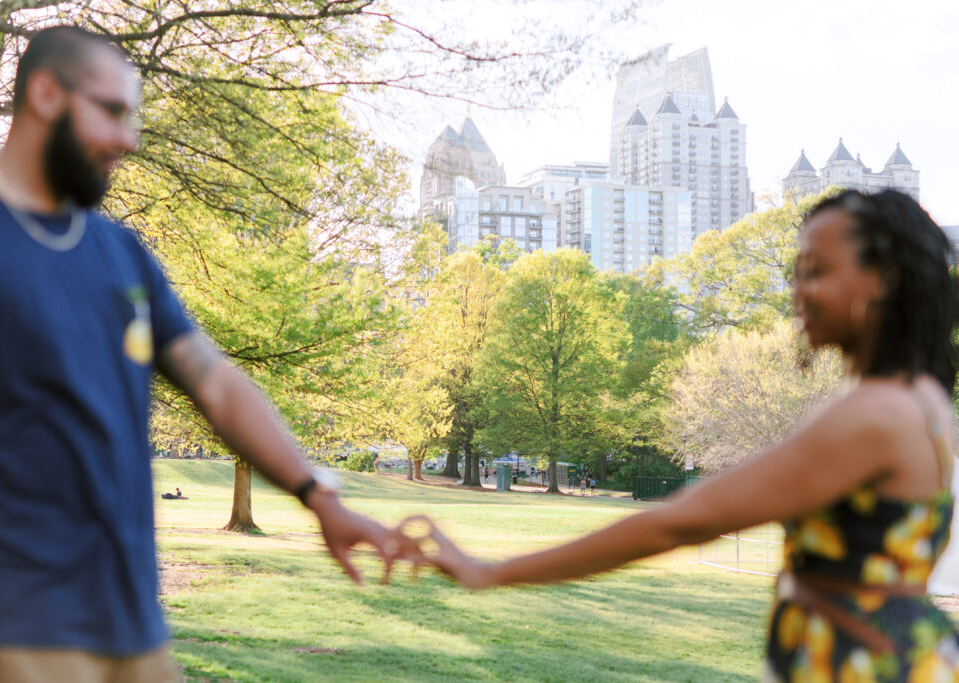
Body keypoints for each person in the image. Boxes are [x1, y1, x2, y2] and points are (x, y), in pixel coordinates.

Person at [0, 26, 397, 683]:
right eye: (112, 112)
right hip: (11, 630)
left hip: (134, 632)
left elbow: (215, 383)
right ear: (44, 93)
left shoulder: (121, 254)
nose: (129, 139)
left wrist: (318, 495)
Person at [404, 190, 959, 679]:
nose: (797, 290)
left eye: (816, 270)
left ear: (882, 280)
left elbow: (684, 520)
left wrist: (490, 571)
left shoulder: (875, 415)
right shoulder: (923, 401)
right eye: (795, 272)